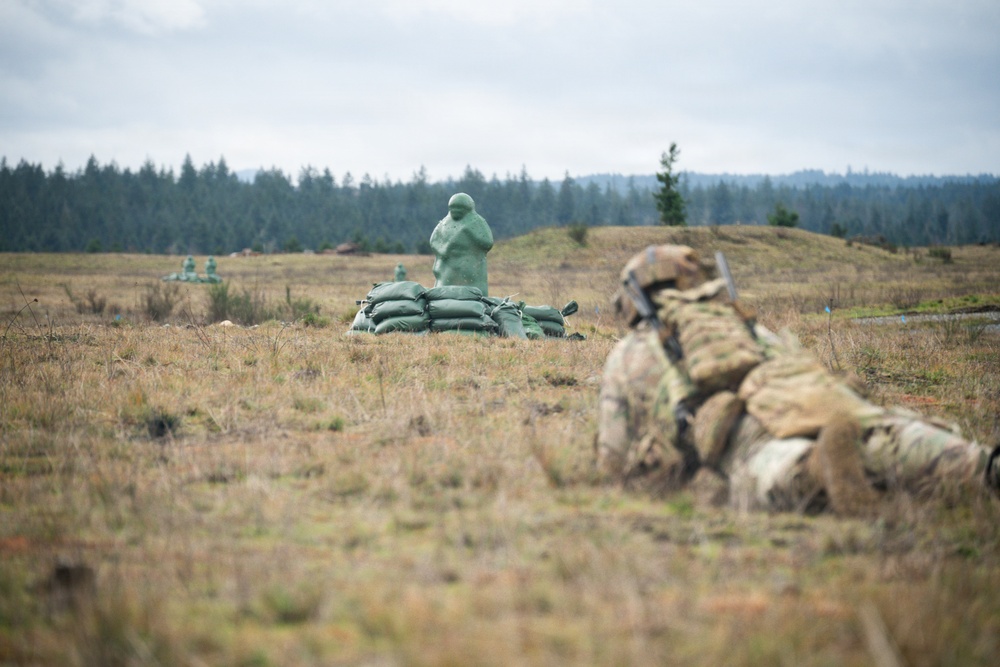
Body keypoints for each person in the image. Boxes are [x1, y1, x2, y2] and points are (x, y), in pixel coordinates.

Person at [596, 244, 999, 514]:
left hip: (746, 429)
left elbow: (613, 458)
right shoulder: (746, 326)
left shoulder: (630, 353)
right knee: (891, 436)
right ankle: (979, 467)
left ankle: (818, 466)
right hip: (817, 402)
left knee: (766, 471)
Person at [429, 193, 494, 296]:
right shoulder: (444, 223)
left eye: (460, 208)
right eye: (453, 208)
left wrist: (470, 232)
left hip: (471, 269)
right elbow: (434, 241)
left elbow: (487, 243)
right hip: (448, 269)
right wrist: (443, 250)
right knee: (444, 296)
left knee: (473, 297)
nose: (456, 210)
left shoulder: (476, 222)